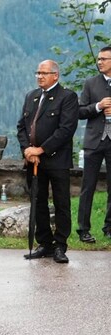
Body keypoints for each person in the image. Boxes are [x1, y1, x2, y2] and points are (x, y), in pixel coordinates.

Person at [17, 60, 79, 263]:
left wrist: (41, 150)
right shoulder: (31, 96)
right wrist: (27, 150)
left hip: (57, 160)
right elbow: (22, 127)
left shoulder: (67, 97)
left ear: (55, 75)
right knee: (38, 202)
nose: (39, 76)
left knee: (62, 203)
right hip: (33, 161)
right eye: (37, 72)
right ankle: (45, 243)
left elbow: (66, 130)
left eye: (44, 73)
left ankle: (60, 245)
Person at [76, 46, 111, 242]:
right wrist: (98, 106)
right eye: (98, 59)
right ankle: (83, 230)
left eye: (104, 59)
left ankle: (109, 227)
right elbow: (80, 112)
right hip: (94, 141)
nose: (100, 62)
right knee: (87, 187)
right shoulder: (90, 84)